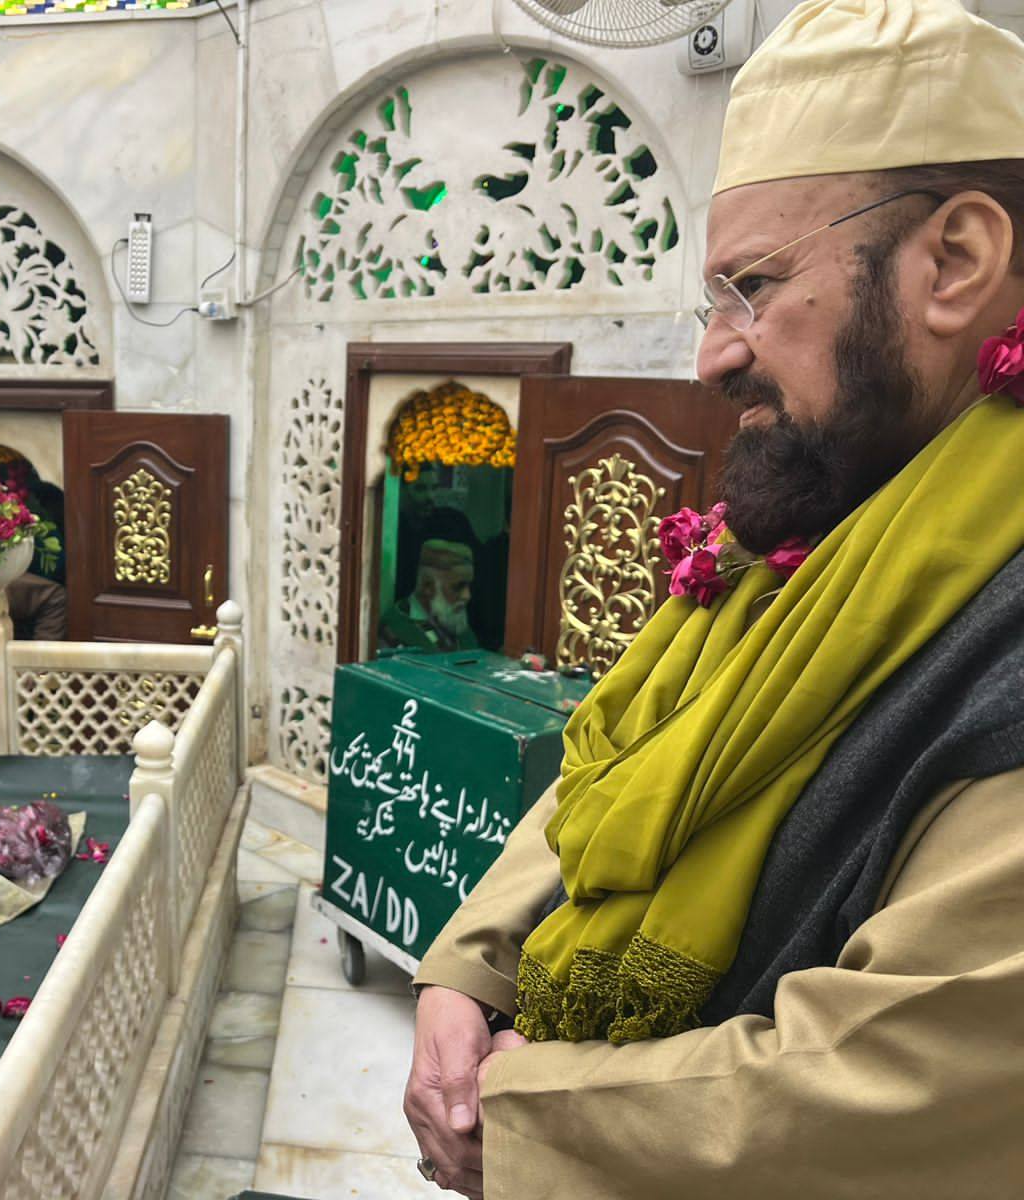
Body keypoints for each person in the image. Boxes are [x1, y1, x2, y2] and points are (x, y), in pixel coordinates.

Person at [405, 2, 1024, 1196]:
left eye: (754, 284)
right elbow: (624, 774)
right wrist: (463, 972)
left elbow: (899, 1084)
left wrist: (520, 1114)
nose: (712, 355)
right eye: (715, 300)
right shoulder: (811, 532)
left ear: (955, 262)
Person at [379, 539, 479, 652]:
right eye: (458, 587)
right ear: (428, 586)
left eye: (468, 586)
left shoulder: (457, 624)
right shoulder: (394, 629)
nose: (467, 595)